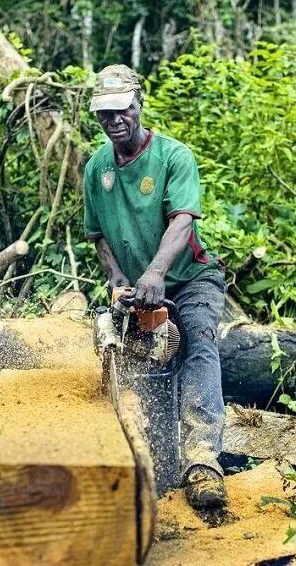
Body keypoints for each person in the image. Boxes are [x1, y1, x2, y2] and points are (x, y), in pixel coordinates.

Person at [83, 64, 227, 509]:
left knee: (198, 340)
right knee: (129, 354)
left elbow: (182, 219)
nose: (114, 120)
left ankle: (204, 462)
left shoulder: (172, 156)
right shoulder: (95, 169)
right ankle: (145, 458)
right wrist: (117, 276)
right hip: (138, 286)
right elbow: (97, 234)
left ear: (138, 104)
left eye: (121, 110)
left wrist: (156, 272)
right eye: (105, 114)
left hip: (188, 277)